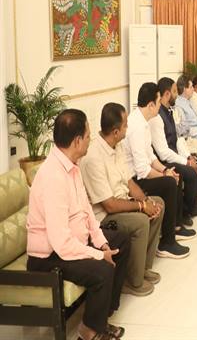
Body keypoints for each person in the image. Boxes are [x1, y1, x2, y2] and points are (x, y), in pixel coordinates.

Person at [27, 109, 130, 340]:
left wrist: (102, 243)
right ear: (77, 141)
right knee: (103, 270)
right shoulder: (53, 177)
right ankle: (89, 331)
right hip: (49, 257)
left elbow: (87, 211)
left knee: (121, 241)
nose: (90, 140)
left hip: (73, 242)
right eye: (88, 136)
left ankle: (101, 317)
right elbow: (61, 244)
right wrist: (97, 255)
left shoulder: (72, 166)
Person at [81, 103, 164, 297]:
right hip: (105, 216)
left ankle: (141, 269)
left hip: (123, 202)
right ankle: (132, 281)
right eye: (126, 124)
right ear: (116, 131)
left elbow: (129, 182)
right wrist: (141, 207)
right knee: (141, 221)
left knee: (158, 204)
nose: (128, 127)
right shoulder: (93, 157)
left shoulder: (116, 145)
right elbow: (109, 205)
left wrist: (147, 201)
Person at [122, 82, 193, 259]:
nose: (160, 105)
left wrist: (166, 170)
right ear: (151, 105)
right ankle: (167, 243)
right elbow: (142, 170)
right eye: (159, 102)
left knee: (173, 175)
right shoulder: (136, 126)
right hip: (133, 181)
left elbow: (151, 157)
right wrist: (164, 175)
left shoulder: (144, 121)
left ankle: (174, 228)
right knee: (169, 183)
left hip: (141, 173)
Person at [150, 77, 197, 219]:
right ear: (167, 94)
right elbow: (163, 153)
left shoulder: (169, 111)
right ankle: (186, 211)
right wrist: (186, 162)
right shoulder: (157, 118)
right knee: (189, 172)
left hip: (174, 155)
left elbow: (177, 139)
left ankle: (188, 206)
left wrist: (188, 157)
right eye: (175, 91)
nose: (177, 95)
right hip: (164, 162)